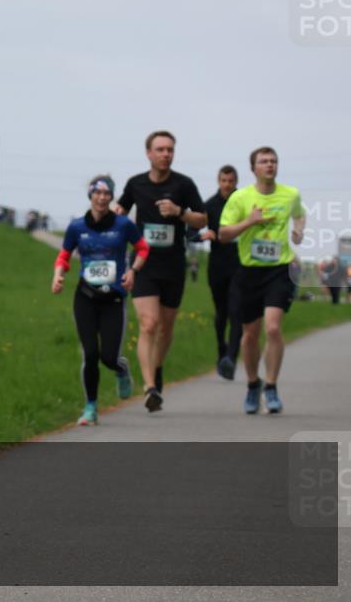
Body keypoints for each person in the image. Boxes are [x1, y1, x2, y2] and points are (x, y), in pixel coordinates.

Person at [114, 131, 206, 412]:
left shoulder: (184, 184)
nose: (166, 154)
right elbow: (121, 210)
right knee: (149, 324)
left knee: (166, 328)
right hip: (144, 264)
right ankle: (150, 386)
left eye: (170, 149)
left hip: (173, 265)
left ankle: (158, 366)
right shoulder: (136, 184)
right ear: (149, 153)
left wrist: (179, 212)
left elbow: (202, 218)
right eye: (160, 149)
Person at [52, 175, 149, 425]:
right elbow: (64, 255)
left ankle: (120, 368)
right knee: (91, 353)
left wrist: (133, 271)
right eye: (98, 193)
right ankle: (90, 407)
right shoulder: (76, 227)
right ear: (91, 195)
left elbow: (143, 248)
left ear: (111, 197)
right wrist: (58, 276)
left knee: (108, 356)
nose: (102, 198)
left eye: (107, 194)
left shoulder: (123, 224)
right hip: (85, 297)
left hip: (113, 298)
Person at [219, 146, 305, 414]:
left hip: (280, 269)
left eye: (274, 161)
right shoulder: (240, 198)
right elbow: (223, 234)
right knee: (249, 335)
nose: (270, 165)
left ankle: (271, 386)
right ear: (253, 168)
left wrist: (298, 230)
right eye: (264, 161)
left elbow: (299, 213)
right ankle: (253, 384)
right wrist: (249, 221)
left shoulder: (290, 194)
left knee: (273, 328)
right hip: (250, 272)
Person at [188, 165, 243, 380]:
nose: (227, 185)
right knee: (222, 314)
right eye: (224, 181)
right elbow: (191, 233)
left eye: (231, 181)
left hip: (241, 265)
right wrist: (203, 235)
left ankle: (231, 358)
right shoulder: (209, 205)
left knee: (236, 312)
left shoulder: (245, 203)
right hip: (218, 266)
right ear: (218, 181)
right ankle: (222, 349)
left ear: (236, 181)